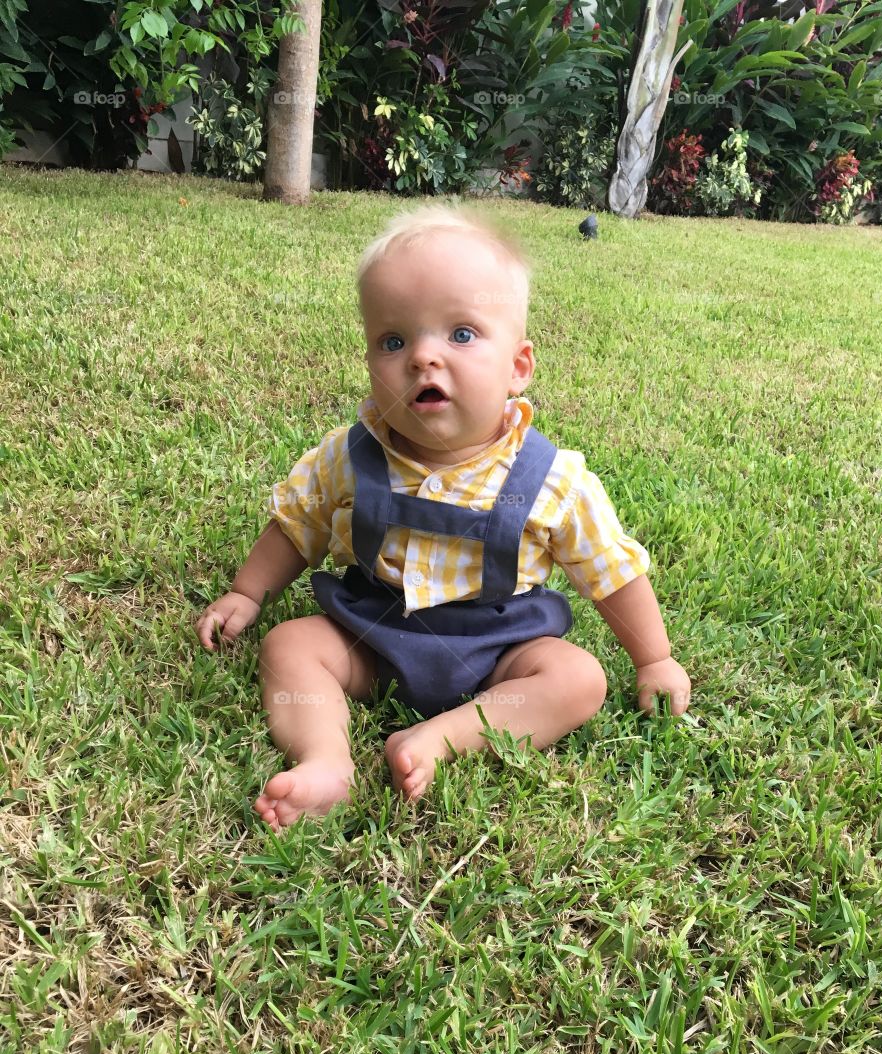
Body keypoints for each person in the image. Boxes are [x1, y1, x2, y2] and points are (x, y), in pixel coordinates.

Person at [194, 203, 691, 832]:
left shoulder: (552, 480)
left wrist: (654, 659)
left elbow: (611, 572)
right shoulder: (348, 457)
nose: (423, 358)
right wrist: (247, 591)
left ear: (518, 367)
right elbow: (298, 524)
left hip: (497, 653)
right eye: (393, 341)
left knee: (577, 677)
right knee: (289, 645)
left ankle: (443, 738)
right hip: (372, 636)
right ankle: (326, 760)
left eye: (460, 334)